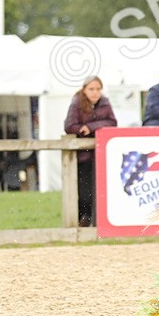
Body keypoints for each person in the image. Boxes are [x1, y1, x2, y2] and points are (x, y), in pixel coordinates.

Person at [64, 76, 118, 226]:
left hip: (101, 156)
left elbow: (113, 123)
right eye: (91, 89)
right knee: (84, 192)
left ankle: (98, 221)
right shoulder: (76, 104)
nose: (95, 92)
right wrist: (84, 131)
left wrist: (91, 127)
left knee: (100, 191)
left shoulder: (105, 103)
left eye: (98, 89)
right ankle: (83, 218)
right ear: (84, 90)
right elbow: (70, 125)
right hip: (83, 156)